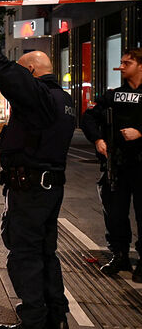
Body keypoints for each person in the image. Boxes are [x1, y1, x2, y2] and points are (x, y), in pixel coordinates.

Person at [0, 5, 74, 329]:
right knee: (45, 254)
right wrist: (2, 148)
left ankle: (34, 321)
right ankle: (55, 318)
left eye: (22, 74)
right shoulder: (62, 100)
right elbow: (31, 131)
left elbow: (1, 67)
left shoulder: (38, 95)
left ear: (31, 72)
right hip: (49, 188)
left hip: (31, 191)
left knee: (25, 256)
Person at [80, 47, 142, 280]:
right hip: (116, 164)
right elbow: (88, 117)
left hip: (140, 165)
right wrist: (98, 139)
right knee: (114, 213)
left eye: (127, 63)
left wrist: (140, 132)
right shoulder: (113, 96)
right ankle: (120, 254)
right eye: (121, 62)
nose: (121, 67)